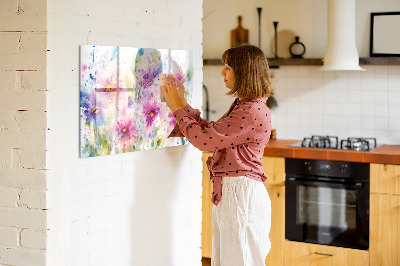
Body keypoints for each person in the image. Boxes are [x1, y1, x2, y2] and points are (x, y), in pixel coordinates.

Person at [161, 44, 273, 266]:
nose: (222, 72)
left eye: (228, 67)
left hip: (241, 196)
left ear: (244, 72)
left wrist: (176, 108)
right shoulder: (246, 106)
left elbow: (204, 141)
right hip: (236, 193)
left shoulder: (250, 111)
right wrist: (182, 104)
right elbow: (212, 133)